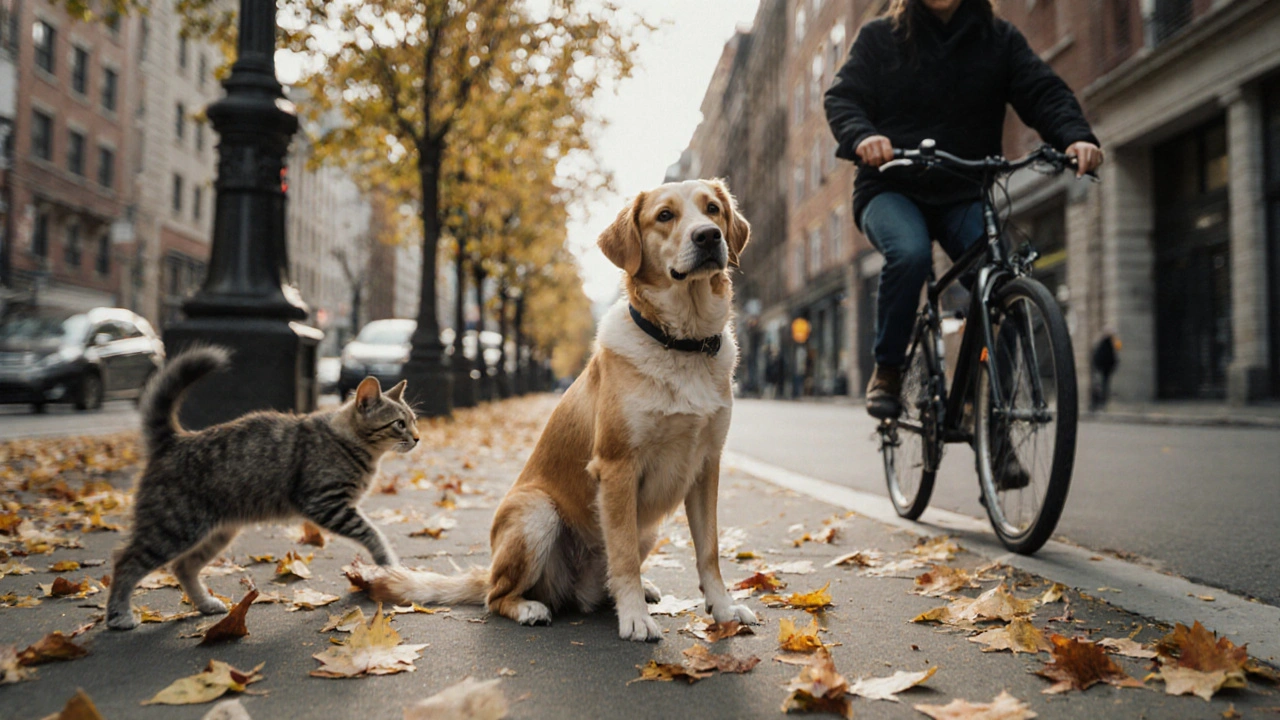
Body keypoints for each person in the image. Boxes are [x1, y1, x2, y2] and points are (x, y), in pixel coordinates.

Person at [825, 0, 1103, 420]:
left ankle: (997, 420)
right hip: (890, 186)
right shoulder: (881, 37)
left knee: (1001, 283)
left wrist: (1075, 137)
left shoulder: (998, 39)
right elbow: (843, 98)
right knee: (911, 253)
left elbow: (1042, 90)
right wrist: (863, 136)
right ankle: (888, 368)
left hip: (962, 192)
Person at [1091, 333, 1119, 411]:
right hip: (1106, 370)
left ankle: (1099, 402)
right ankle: (1101, 401)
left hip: (1101, 370)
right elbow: (1113, 359)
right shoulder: (1109, 347)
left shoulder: (1102, 347)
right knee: (1103, 386)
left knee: (1099, 385)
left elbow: (1097, 358)